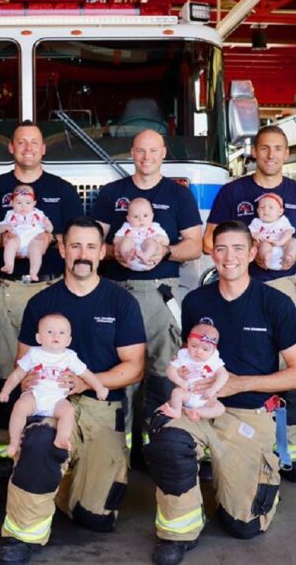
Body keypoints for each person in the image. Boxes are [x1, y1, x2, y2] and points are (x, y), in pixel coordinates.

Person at [144, 220, 296, 565]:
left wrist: (240, 382)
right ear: (212, 254)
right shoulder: (195, 302)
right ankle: (181, 529)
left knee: (242, 526)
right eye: (220, 249)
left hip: (248, 413)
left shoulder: (275, 303)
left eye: (238, 248)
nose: (228, 256)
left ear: (252, 253)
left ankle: (253, 481)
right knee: (168, 441)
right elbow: (191, 358)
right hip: (199, 405)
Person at [0, 217, 146, 564]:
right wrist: (30, 383)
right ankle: (22, 533)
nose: (83, 254)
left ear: (103, 252)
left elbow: (135, 367)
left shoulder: (121, 303)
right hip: (50, 403)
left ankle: (61, 482)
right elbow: (23, 362)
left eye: (91, 246)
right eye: (75, 245)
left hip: (99, 406)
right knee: (37, 442)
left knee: (95, 518)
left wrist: (85, 381)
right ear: (61, 249)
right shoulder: (41, 302)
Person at [204, 125, 296, 483]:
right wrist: (242, 253)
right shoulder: (233, 192)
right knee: (228, 364)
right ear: (253, 152)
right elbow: (209, 239)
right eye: (264, 148)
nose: (271, 155)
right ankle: (221, 445)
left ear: (286, 153)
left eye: (278, 149)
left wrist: (293, 252)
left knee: (290, 372)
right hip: (239, 289)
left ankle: (289, 454)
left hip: (285, 289)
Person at [0, 121, 83, 467]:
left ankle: (56, 443)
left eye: (33, 143)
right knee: (3, 369)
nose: (27, 148)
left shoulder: (63, 190)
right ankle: (1, 448)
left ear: (43, 149)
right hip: (7, 290)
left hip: (53, 289)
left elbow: (72, 240)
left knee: (57, 367)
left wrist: (43, 239)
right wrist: (11, 240)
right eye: (21, 142)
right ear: (11, 148)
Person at [92, 129, 203, 427]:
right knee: (118, 368)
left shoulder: (179, 195)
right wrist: (116, 252)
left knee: (162, 371)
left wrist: (165, 252)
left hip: (161, 294)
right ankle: (119, 447)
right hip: (116, 292)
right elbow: (94, 243)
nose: (146, 157)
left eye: (153, 151)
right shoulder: (111, 193)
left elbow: (195, 245)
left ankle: (157, 441)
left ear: (164, 153)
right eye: (141, 151)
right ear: (132, 153)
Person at [0, 313, 109, 455]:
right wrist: (5, 391)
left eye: (61, 333)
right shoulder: (33, 354)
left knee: (68, 411)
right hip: (35, 396)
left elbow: (86, 374)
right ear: (39, 338)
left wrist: (99, 388)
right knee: (19, 407)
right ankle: (14, 441)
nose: (56, 335)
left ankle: (61, 438)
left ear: (68, 340)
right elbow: (17, 374)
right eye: (50, 332)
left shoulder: (70, 357)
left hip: (57, 400)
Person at [158, 322, 228, 422]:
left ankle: (197, 412)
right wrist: (180, 381)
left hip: (205, 398)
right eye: (194, 346)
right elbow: (170, 370)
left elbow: (223, 375)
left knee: (220, 409)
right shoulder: (184, 356)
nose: (198, 351)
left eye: (205, 349)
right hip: (187, 394)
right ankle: (176, 411)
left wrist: (213, 389)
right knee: (176, 392)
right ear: (188, 342)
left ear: (214, 349)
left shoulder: (213, 360)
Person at [0, 184, 54, 281]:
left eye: (28, 203)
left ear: (34, 203)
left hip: (33, 238)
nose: (23, 206)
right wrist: (5, 227)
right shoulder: (10, 214)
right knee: (10, 244)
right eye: (19, 203)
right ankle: (9, 265)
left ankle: (33, 272)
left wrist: (48, 226)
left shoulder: (38, 214)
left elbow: (49, 229)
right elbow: (0, 229)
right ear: (11, 203)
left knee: (36, 249)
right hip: (17, 238)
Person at [114, 197, 170, 272]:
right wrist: (125, 237)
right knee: (127, 241)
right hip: (130, 257)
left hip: (148, 258)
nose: (141, 219)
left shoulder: (155, 227)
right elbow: (115, 240)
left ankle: (145, 256)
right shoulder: (127, 227)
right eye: (136, 216)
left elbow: (166, 241)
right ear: (128, 218)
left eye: (145, 215)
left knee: (150, 241)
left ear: (152, 216)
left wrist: (160, 238)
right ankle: (127, 256)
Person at [248, 193, 296, 271]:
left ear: (280, 212)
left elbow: (289, 232)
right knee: (263, 244)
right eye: (262, 207)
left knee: (294, 241)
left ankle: (289, 256)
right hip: (268, 249)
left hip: (283, 249)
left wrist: (280, 242)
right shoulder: (256, 222)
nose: (266, 210)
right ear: (258, 211)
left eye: (271, 207)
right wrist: (255, 234)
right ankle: (266, 257)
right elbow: (247, 232)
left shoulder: (283, 220)